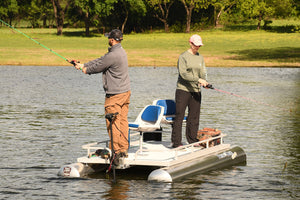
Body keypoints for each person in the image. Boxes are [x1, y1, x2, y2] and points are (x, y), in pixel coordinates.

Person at [73, 29, 131, 158]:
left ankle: (115, 151)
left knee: (113, 123)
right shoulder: (120, 52)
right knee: (122, 121)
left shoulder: (113, 55)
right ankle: (123, 149)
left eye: (108, 38)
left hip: (115, 95)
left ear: (112, 39)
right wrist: (83, 64)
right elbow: (101, 60)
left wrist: (85, 69)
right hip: (125, 93)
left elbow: (99, 66)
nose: (108, 40)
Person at [171, 34, 209, 148]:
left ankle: (192, 140)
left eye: (199, 46)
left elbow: (203, 72)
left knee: (194, 116)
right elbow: (183, 75)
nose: (197, 47)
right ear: (190, 43)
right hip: (183, 90)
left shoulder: (200, 57)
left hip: (196, 91)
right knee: (179, 115)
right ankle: (176, 142)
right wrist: (198, 79)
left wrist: (205, 82)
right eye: (195, 45)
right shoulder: (183, 57)